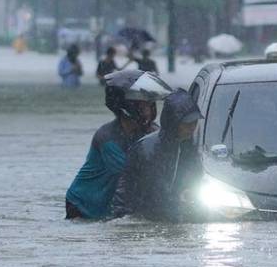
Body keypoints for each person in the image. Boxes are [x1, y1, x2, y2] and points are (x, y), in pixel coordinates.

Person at [65, 71, 170, 220]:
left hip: (109, 204)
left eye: (151, 104)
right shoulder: (107, 137)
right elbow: (133, 173)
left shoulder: (152, 132)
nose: (150, 110)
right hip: (83, 205)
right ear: (128, 106)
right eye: (144, 105)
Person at [111, 90, 203, 222]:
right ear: (174, 123)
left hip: (171, 212)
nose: (192, 128)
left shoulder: (188, 144)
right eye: (187, 124)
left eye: (194, 123)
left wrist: (190, 189)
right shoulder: (148, 150)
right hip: (137, 216)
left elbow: (195, 173)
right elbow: (155, 194)